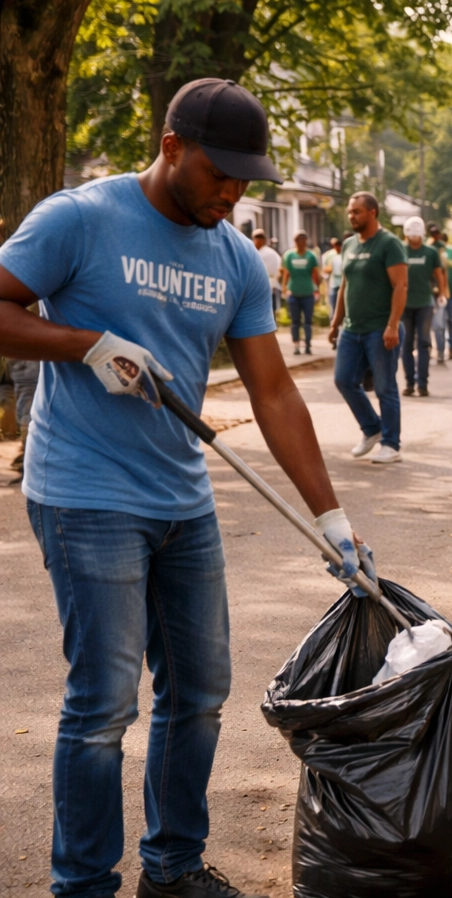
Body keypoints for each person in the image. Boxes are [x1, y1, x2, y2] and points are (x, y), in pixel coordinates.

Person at [0, 77, 378, 898]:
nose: (234, 193)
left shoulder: (234, 256)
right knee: (103, 706)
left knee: (200, 694)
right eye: (220, 173)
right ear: (172, 148)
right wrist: (86, 343)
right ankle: (84, 884)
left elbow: (274, 391)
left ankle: (171, 869)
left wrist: (333, 520)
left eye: (247, 179)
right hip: (85, 494)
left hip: (182, 500)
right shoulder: (80, 219)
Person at [329, 192, 408, 463]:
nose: (352, 216)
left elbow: (401, 286)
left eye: (357, 212)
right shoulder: (349, 245)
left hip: (380, 328)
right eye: (350, 212)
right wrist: (336, 321)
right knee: (343, 380)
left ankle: (391, 444)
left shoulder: (389, 244)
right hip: (352, 329)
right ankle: (372, 428)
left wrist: (393, 325)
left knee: (385, 387)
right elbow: (345, 286)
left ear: (372, 213)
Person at [398, 216, 444, 398]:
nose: (415, 238)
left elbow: (438, 274)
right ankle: (410, 383)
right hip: (404, 305)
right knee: (406, 344)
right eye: (412, 235)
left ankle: (423, 384)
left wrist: (442, 294)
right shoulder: (400, 250)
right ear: (407, 235)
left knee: (424, 343)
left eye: (418, 235)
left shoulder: (431, 252)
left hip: (425, 303)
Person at [279, 231, 322, 355]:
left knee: (307, 321)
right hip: (293, 292)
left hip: (308, 292)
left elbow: (315, 274)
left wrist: (317, 289)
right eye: (298, 240)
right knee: (295, 321)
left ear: (306, 241)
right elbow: (286, 272)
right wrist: (284, 288)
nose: (301, 242)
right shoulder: (289, 255)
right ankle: (296, 344)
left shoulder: (311, 256)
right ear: (295, 241)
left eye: (303, 239)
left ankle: (308, 344)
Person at [428, 222, 452, 361]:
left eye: (437, 233)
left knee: (450, 321)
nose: (435, 236)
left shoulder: (449, 250)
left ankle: (451, 347)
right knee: (438, 324)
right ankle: (439, 350)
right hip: (435, 293)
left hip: (451, 291)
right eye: (433, 234)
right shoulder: (428, 249)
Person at [251, 227, 281, 317]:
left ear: (263, 240)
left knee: (268, 313)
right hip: (256, 288)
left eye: (260, 238)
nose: (257, 241)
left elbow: (277, 271)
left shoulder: (269, 253)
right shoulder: (252, 252)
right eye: (256, 238)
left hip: (268, 287)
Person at [321, 235, 345, 331]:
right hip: (334, 284)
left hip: (344, 284)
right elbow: (324, 269)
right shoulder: (330, 255)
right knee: (334, 308)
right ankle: (334, 329)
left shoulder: (345, 254)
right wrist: (330, 269)